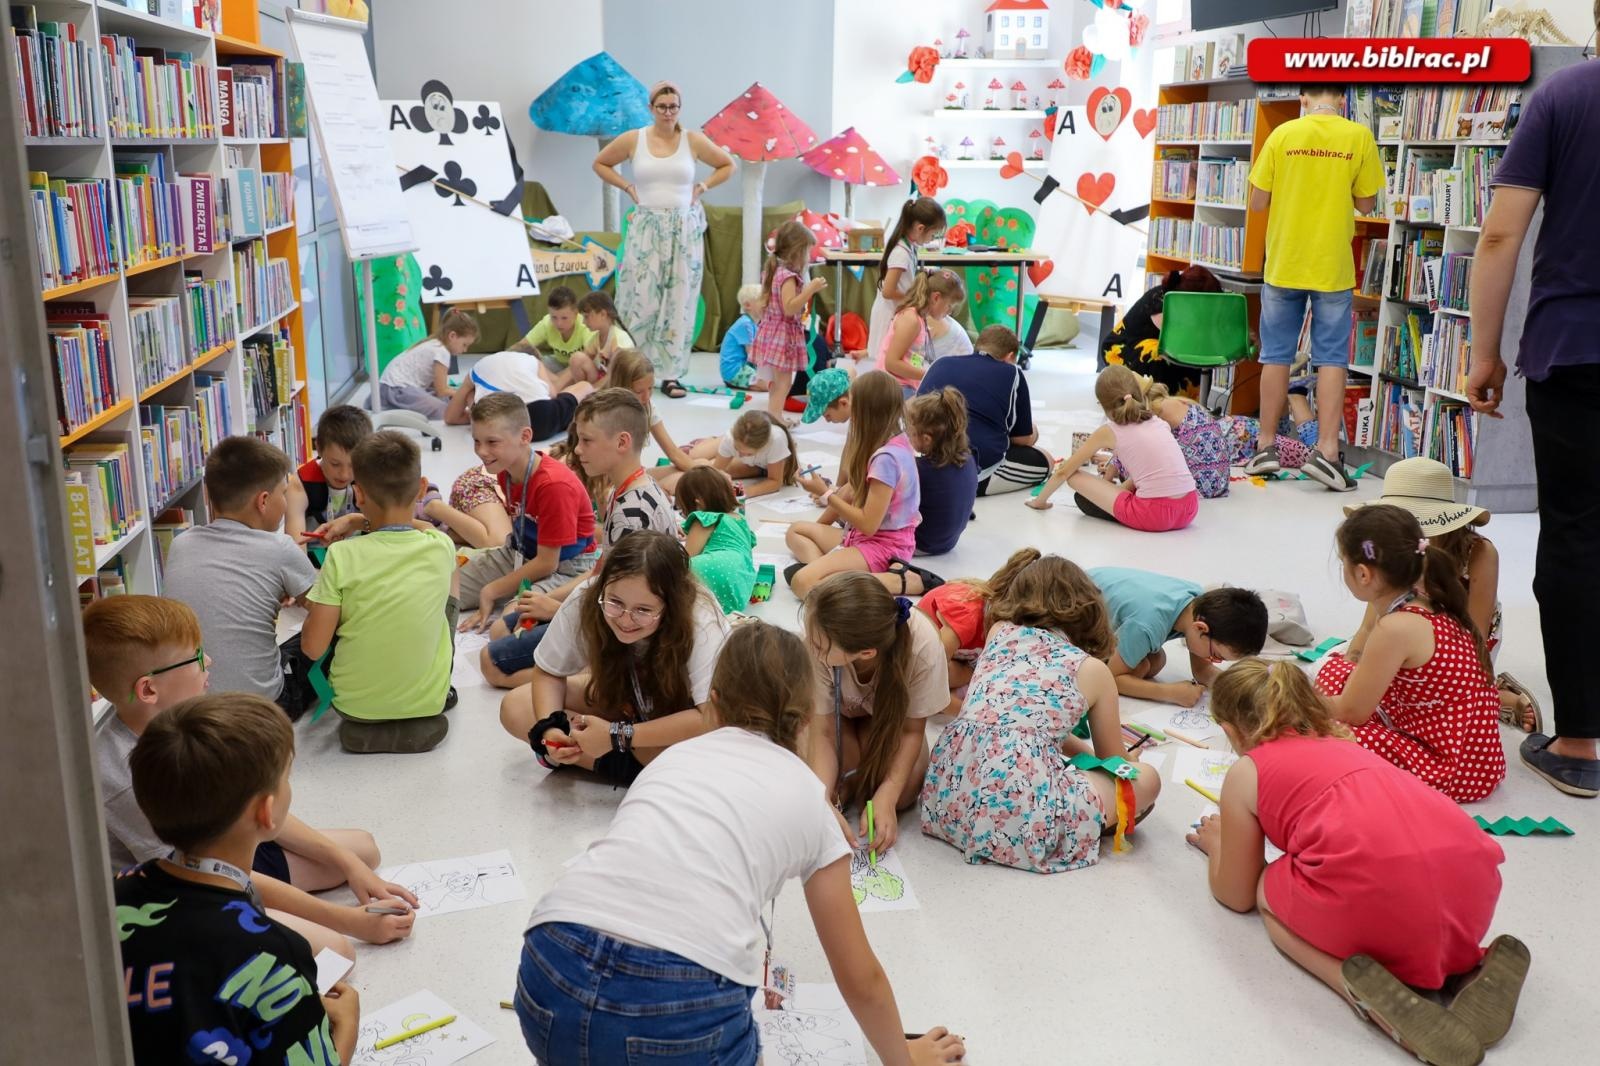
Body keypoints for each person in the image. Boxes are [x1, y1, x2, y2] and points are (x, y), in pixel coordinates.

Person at [514, 622, 965, 1066]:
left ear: (713, 703)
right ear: (807, 717)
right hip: (680, 1002)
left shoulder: (671, 759)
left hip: (548, 966)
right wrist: (902, 1059)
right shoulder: (809, 799)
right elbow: (859, 976)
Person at [1188, 659, 1526, 1066]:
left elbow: (1235, 894)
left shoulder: (1247, 770)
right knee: (1410, 898)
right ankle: (1469, 969)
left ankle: (1357, 990)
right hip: (1474, 886)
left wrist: (1219, 846)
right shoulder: (1347, 745)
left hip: (1378, 902)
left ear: (1229, 730)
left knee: (1267, 888)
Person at [84, 598, 417, 963]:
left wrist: (346, 864)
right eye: (195, 657)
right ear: (149, 690)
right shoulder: (127, 780)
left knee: (363, 851)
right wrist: (348, 922)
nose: (208, 661)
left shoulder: (184, 725)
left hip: (218, 852)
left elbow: (254, 809)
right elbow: (201, 878)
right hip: (184, 896)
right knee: (338, 952)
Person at [1466, 43, 1600, 797]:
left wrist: (1484, 352)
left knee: (1577, 531)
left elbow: (1500, 233)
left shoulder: (1565, 95)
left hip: (1577, 350)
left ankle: (1581, 743)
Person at [116, 694, 365, 1066]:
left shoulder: (113, 894)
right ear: (266, 811)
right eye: (286, 779)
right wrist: (348, 1024)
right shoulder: (273, 951)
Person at [921, 554, 1160, 873]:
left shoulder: (998, 633)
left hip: (946, 799)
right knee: (1147, 779)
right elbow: (1112, 761)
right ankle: (1085, 822)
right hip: (1021, 822)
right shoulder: (1093, 670)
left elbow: (1022, 727)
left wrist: (1079, 752)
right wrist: (1133, 763)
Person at [1243, 83, 1382, 491]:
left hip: (1285, 262)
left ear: (1303, 98)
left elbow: (1257, 203)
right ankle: (1326, 453)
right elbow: (1367, 204)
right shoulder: (1358, 136)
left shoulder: (1283, 134)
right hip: (1332, 266)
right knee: (1332, 359)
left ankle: (1265, 446)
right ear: (1342, 99)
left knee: (1275, 355)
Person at [1314, 504, 1505, 802]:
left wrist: (1294, 700)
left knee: (1322, 733)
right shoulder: (1423, 599)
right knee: (1336, 671)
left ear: (1363, 574)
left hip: (1450, 767)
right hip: (1466, 748)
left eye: (1343, 562)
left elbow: (1353, 711)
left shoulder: (1395, 628)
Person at [507, 531, 730, 785]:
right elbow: (548, 671)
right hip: (626, 703)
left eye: (644, 610)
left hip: (681, 719)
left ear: (672, 605)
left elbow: (710, 718)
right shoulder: (587, 598)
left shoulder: (700, 618)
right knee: (517, 706)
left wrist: (619, 735)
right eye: (614, 603)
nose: (625, 619)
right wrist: (551, 729)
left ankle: (624, 764)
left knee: (680, 760)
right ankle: (629, 763)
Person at [1343, 457, 1540, 733]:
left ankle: (1498, 698)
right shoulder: (1393, 550)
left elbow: (1475, 638)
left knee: (1444, 704)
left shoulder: (1479, 553)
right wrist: (1353, 659)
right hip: (1406, 639)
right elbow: (1369, 624)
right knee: (1344, 673)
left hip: (1459, 650)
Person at [301, 431, 457, 754]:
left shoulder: (341, 556)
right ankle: (424, 698)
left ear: (358, 494)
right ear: (422, 488)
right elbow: (425, 528)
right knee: (450, 584)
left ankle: (371, 721)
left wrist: (357, 522)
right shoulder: (441, 546)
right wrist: (362, 521)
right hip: (428, 700)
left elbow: (314, 649)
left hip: (354, 704)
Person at [595, 80, 736, 397]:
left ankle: (671, 374)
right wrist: (628, 188)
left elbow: (728, 165)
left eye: (673, 106)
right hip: (646, 226)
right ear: (651, 109)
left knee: (679, 301)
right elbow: (601, 162)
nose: (668, 112)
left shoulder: (692, 140)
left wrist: (702, 187)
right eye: (662, 107)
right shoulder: (635, 139)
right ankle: (633, 369)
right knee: (639, 300)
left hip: (682, 230)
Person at [163, 437, 318, 717]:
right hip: (265, 707)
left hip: (193, 708)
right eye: (283, 493)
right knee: (324, 631)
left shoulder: (180, 543)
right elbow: (326, 608)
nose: (285, 502)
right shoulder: (280, 548)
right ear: (263, 501)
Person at [806, 572, 951, 853]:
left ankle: (859, 779)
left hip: (890, 721)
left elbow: (911, 730)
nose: (811, 646)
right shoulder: (817, 638)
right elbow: (823, 731)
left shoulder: (923, 646)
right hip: (839, 717)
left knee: (905, 791)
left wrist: (888, 793)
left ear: (866, 653)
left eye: (821, 647)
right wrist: (822, 798)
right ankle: (852, 777)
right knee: (826, 780)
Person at [452, 393, 600, 634]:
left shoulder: (553, 486)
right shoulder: (503, 469)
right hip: (520, 553)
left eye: (492, 442)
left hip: (565, 567)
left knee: (505, 630)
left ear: (525, 437)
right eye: (476, 441)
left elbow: (548, 563)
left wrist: (492, 590)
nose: (481, 451)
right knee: (441, 585)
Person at [787, 371, 942, 599]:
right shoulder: (886, 442)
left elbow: (869, 524)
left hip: (883, 547)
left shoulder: (887, 458)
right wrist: (825, 500)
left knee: (802, 582)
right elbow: (851, 490)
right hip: (861, 537)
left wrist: (827, 494)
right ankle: (839, 575)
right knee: (796, 531)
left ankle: (897, 580)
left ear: (865, 410)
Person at [1028, 364, 1200, 533]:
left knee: (1073, 476)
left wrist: (1040, 501)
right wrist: (1119, 489)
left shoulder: (1109, 430)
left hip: (1153, 515)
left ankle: (1118, 505)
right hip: (1189, 508)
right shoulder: (1158, 423)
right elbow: (1153, 471)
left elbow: (1063, 472)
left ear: (1102, 404)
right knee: (1145, 472)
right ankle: (1119, 497)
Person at [1089, 566, 1268, 707]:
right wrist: (1169, 693)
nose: (1211, 661)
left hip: (1094, 587)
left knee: (1155, 659)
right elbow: (1109, 678)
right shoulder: (1146, 625)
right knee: (1148, 664)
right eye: (1216, 656)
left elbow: (1202, 671)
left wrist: (1240, 692)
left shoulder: (1200, 606)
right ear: (1201, 628)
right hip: (1073, 616)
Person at [919, 324, 1050, 496]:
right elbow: (1022, 439)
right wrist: (1035, 433)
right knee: (1046, 459)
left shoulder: (941, 363)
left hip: (929, 465)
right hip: (976, 473)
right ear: (1010, 356)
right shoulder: (1012, 373)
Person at [918, 547, 1043, 709]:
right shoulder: (968, 613)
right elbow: (925, 672)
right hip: (917, 659)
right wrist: (968, 713)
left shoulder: (1001, 617)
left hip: (949, 660)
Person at [1099, 265, 1221, 398]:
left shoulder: (1187, 303)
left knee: (1197, 355)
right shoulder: (1161, 299)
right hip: (1122, 347)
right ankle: (1161, 404)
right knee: (1161, 353)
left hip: (1157, 345)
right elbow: (1174, 338)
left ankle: (1193, 406)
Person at [753, 220, 828, 422]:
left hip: (773, 331)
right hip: (782, 334)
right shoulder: (788, 276)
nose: (808, 257)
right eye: (806, 252)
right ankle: (775, 423)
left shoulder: (773, 270)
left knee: (776, 383)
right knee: (783, 384)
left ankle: (773, 417)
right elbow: (789, 307)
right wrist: (810, 290)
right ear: (795, 251)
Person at [442, 348, 594, 439]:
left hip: (497, 425)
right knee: (584, 386)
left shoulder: (477, 367)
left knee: (470, 393)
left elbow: (450, 417)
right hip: (540, 418)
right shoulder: (533, 360)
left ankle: (476, 416)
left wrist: (472, 412)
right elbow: (552, 394)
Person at [604, 348, 701, 488]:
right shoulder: (605, 414)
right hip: (608, 484)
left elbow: (674, 453)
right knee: (683, 480)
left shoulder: (647, 407)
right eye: (639, 391)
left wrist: (709, 476)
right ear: (621, 387)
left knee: (697, 469)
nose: (647, 397)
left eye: (650, 389)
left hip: (631, 476)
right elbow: (603, 474)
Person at [867, 196, 947, 362]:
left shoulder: (909, 247)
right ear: (920, 228)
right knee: (885, 359)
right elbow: (888, 291)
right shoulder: (901, 252)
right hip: (889, 314)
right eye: (933, 234)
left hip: (898, 312)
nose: (932, 239)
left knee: (898, 356)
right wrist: (914, 299)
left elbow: (904, 278)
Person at [906, 388, 977, 556]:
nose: (907, 434)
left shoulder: (920, 470)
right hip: (947, 543)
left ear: (926, 439)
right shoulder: (968, 458)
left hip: (920, 543)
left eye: (911, 431)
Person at [676, 467, 758, 613]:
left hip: (711, 568)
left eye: (682, 507)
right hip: (741, 582)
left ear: (697, 504)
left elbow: (687, 557)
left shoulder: (705, 518)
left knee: (673, 570)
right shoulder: (739, 519)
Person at [286, 404, 370, 539]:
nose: (344, 475)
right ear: (318, 448)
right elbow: (296, 546)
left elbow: (389, 527)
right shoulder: (299, 486)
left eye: (354, 465)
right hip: (315, 557)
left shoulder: (371, 479)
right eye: (335, 464)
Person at [876, 270, 966, 396]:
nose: (949, 312)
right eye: (949, 306)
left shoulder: (920, 319)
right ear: (936, 297)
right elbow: (891, 363)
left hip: (903, 386)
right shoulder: (911, 319)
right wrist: (930, 374)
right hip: (892, 388)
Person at [377, 307, 476, 418]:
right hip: (395, 391)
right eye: (464, 345)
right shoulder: (441, 351)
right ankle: (469, 418)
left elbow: (436, 387)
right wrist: (463, 393)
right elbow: (442, 390)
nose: (465, 350)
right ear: (452, 336)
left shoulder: (434, 343)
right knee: (445, 410)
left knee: (445, 399)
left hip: (388, 388)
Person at [685, 408, 799, 499]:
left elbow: (775, 482)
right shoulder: (730, 438)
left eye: (748, 454)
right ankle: (712, 441)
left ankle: (711, 443)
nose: (741, 455)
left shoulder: (775, 440)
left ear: (763, 446)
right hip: (753, 460)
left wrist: (742, 493)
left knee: (705, 465)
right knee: (701, 462)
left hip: (767, 464)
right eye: (737, 449)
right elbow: (716, 471)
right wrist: (718, 479)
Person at [509, 285, 594, 377]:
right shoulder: (547, 323)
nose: (559, 323)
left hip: (580, 368)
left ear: (576, 313)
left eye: (564, 318)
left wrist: (560, 379)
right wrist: (501, 357)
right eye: (554, 317)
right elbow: (522, 345)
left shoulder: (585, 325)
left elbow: (590, 355)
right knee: (532, 363)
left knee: (579, 360)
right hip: (558, 363)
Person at [563, 290, 635, 385]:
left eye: (586, 317)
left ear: (603, 314)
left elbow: (615, 376)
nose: (583, 322)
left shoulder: (619, 340)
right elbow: (578, 362)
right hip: (605, 380)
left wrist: (591, 392)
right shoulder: (597, 337)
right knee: (576, 359)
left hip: (619, 385)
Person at [720, 282, 769, 389]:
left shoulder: (752, 324)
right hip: (735, 371)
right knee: (769, 385)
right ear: (748, 305)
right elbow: (752, 354)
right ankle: (749, 383)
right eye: (762, 300)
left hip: (743, 367)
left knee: (774, 380)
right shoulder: (745, 324)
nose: (766, 304)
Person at [926, 294, 973, 361]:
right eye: (949, 306)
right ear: (936, 298)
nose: (950, 313)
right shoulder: (932, 316)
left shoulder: (933, 319)